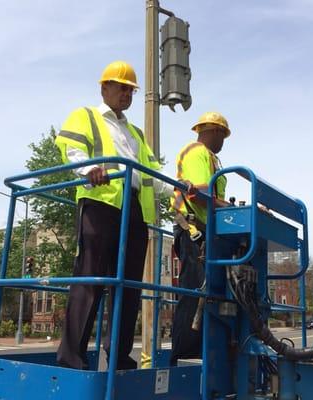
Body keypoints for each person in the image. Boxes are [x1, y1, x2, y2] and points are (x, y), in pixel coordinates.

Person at [55, 60, 171, 370]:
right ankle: (71, 357)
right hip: (100, 201)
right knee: (90, 277)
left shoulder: (135, 132)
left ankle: (119, 355)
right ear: (104, 87)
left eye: (131, 89)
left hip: (133, 208)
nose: (126, 94)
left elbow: (152, 173)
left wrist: (177, 191)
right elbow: (72, 150)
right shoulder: (86, 116)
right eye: (121, 87)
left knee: (129, 285)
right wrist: (90, 169)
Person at [169, 111, 231, 366]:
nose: (224, 140)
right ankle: (184, 356)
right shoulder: (197, 152)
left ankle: (206, 351)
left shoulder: (214, 160)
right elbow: (196, 192)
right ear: (214, 131)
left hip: (207, 231)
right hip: (194, 231)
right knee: (194, 293)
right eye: (223, 135)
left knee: (210, 294)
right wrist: (228, 206)